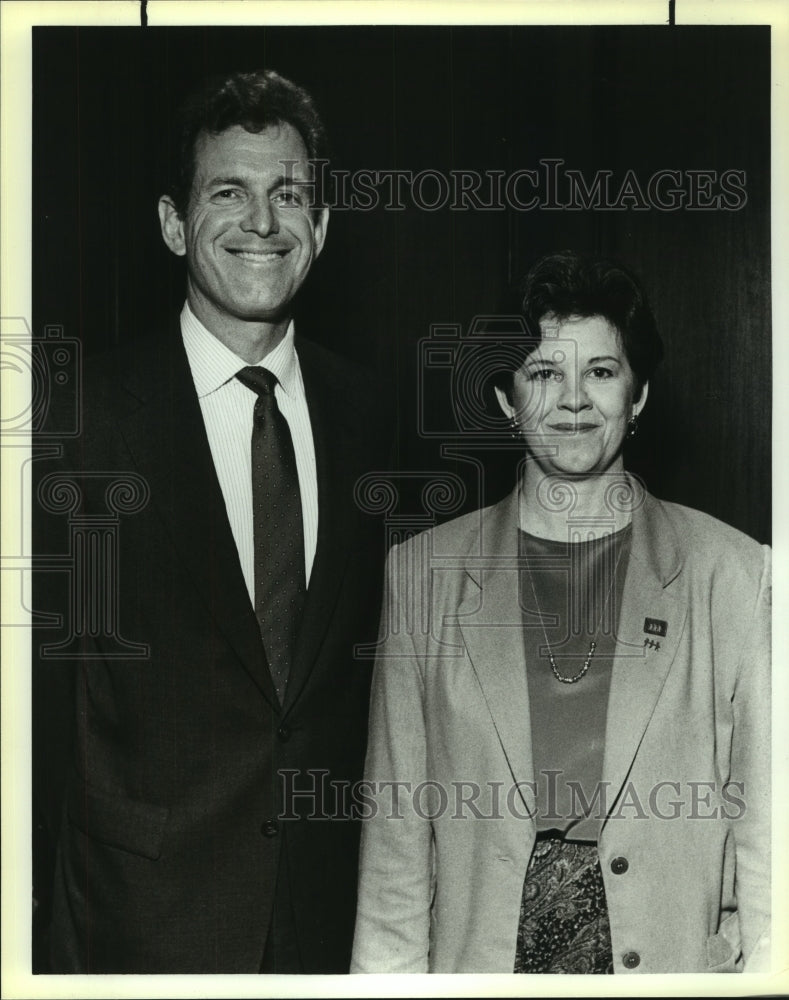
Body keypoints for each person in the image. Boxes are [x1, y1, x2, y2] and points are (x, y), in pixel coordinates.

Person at [32, 69, 387, 973]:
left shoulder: (374, 421)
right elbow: (36, 699)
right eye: (228, 191)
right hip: (136, 926)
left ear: (324, 225)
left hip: (330, 923)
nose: (262, 223)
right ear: (171, 222)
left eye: (289, 195)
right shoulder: (79, 422)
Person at [351, 250, 770, 974]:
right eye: (544, 374)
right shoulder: (421, 575)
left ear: (635, 397)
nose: (573, 400)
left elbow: (767, 835)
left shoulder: (734, 574)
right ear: (507, 401)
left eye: (601, 373)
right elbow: (395, 849)